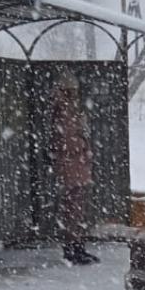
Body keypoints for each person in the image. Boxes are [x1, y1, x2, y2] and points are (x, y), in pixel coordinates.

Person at [49, 69, 99, 265]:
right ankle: (73, 248)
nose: (76, 93)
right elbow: (66, 140)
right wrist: (83, 141)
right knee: (73, 209)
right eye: (73, 89)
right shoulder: (63, 109)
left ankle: (77, 246)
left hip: (76, 166)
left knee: (77, 208)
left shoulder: (69, 108)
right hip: (71, 165)